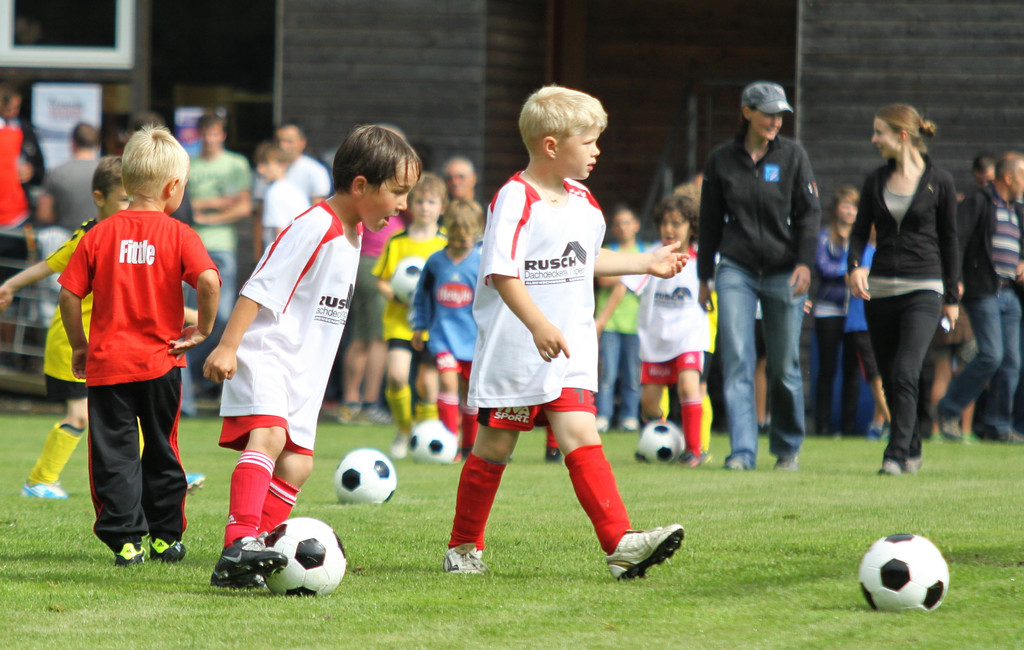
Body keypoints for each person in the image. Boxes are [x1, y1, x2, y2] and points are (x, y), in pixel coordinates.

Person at [442, 85, 685, 579]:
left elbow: (587, 257)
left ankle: (620, 544)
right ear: (551, 145)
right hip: (516, 350)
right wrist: (537, 325)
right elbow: (502, 272)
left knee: (580, 433)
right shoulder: (516, 198)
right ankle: (462, 549)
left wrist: (645, 262)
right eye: (588, 141)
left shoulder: (583, 200)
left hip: (568, 348)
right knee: (494, 448)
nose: (597, 150)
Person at [203, 125, 420, 588]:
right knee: (269, 437)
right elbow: (260, 286)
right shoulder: (316, 225)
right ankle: (239, 542)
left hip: (305, 370)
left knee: (298, 465)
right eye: (398, 192)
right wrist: (228, 345)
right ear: (360, 185)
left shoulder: (353, 234)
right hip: (268, 352)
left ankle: (252, 560)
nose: (404, 205)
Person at [57, 127, 220, 565]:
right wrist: (203, 330)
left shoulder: (99, 234)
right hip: (162, 363)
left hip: (108, 365)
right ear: (173, 186)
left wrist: (79, 346)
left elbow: (69, 295)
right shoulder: (180, 234)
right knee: (163, 449)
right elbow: (208, 281)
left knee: (114, 454)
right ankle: (166, 537)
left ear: (127, 181)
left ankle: (127, 541)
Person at [697, 81, 821, 471]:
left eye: (780, 115)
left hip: (785, 271)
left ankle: (786, 448)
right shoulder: (721, 160)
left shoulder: (793, 156)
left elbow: (810, 215)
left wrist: (805, 263)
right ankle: (742, 452)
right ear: (747, 112)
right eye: (768, 113)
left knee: (784, 365)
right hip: (736, 268)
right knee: (737, 358)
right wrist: (704, 277)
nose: (775, 121)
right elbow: (709, 220)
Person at [848, 103, 960, 476]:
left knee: (906, 370)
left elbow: (950, 240)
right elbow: (859, 232)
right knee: (890, 374)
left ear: (901, 135)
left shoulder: (939, 181)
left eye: (878, 132)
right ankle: (911, 446)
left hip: (924, 288)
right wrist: (854, 266)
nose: (873, 139)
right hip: (879, 291)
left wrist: (952, 298)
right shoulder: (874, 180)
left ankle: (894, 455)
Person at [934, 152, 1024, 444]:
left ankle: (997, 425)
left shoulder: (1017, 209)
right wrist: (956, 280)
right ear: (1008, 177)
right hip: (984, 290)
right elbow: (956, 241)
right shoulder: (979, 202)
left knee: (1011, 362)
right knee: (991, 354)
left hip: (1010, 294)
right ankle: (948, 409)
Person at [626, 194, 710, 466]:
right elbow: (623, 288)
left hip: (689, 337)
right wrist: (601, 321)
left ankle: (694, 450)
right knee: (649, 404)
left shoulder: (704, 259)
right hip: (656, 340)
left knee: (689, 387)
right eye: (664, 222)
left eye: (677, 223)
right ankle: (659, 438)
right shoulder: (652, 255)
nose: (669, 229)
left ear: (691, 227)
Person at [373, 172, 448, 458]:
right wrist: (397, 295)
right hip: (400, 321)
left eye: (431, 202)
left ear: (442, 207)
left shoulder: (446, 244)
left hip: (433, 324)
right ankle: (404, 431)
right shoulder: (397, 241)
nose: (425, 207)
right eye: (419, 201)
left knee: (428, 385)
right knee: (396, 376)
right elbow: (382, 280)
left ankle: (425, 436)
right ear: (409, 205)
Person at [411, 199, 484, 457]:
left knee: (470, 395)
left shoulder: (480, 263)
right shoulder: (435, 262)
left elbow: (491, 302)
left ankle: (469, 447)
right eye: (457, 236)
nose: (463, 241)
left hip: (473, 341)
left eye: (468, 236)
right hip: (442, 338)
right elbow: (422, 297)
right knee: (447, 382)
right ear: (448, 230)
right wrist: (419, 326)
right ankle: (450, 444)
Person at [594, 204, 644, 433]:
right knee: (607, 373)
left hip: (636, 323)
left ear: (636, 225)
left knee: (633, 375)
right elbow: (602, 279)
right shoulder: (608, 250)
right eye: (618, 223)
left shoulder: (644, 250)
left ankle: (630, 417)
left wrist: (620, 272)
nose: (623, 227)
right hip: (610, 322)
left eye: (627, 222)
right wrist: (636, 268)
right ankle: (603, 415)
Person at [813, 186, 857, 437]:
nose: (850, 211)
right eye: (845, 205)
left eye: (854, 206)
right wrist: (848, 271)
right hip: (828, 309)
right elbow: (822, 266)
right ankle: (822, 425)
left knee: (852, 371)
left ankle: (849, 428)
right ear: (836, 209)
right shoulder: (824, 237)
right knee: (827, 369)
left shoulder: (859, 239)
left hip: (853, 311)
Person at [841, 224, 891, 440]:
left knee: (886, 374)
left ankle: (878, 425)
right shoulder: (859, 251)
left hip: (885, 319)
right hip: (861, 323)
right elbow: (847, 277)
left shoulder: (889, 251)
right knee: (874, 376)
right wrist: (866, 274)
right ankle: (893, 422)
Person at [36, 123, 101, 233]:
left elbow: (44, 214)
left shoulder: (56, 173)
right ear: (97, 144)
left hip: (67, 237)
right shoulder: (105, 173)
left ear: (73, 144)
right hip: (97, 237)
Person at [253, 140, 310, 252]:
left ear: (282, 165)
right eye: (258, 164)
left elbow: (280, 236)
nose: (260, 170)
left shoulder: (274, 192)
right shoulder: (295, 190)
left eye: (266, 164)